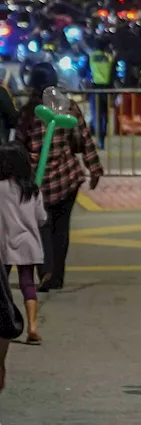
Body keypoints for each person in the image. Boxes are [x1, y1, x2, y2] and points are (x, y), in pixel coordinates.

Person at [15, 63, 103, 292]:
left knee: (41, 226)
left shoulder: (28, 112)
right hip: (67, 177)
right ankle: (57, 276)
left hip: (39, 181)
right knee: (61, 229)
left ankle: (46, 271)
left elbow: (19, 146)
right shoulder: (69, 107)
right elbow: (83, 138)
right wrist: (94, 169)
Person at [0, 142, 47, 345]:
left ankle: (6, 322)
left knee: (2, 287)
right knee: (27, 283)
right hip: (27, 243)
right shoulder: (33, 190)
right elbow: (42, 217)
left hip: (4, 242)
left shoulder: (0, 189)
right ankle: (33, 326)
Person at [84, 36, 114, 148]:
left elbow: (85, 74)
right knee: (104, 115)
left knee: (96, 113)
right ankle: (102, 138)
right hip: (106, 89)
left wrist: (86, 91)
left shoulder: (91, 57)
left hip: (94, 89)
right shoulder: (109, 58)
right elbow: (113, 76)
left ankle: (98, 138)